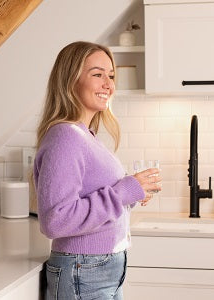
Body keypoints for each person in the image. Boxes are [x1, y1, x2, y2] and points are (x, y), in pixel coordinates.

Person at [33, 41, 161, 299]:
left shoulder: (86, 136)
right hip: (85, 269)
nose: (109, 84)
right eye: (97, 74)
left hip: (100, 268)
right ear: (70, 80)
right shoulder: (65, 137)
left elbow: (98, 197)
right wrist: (123, 193)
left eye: (111, 76)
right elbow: (56, 220)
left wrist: (131, 195)